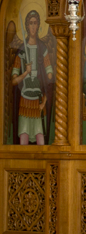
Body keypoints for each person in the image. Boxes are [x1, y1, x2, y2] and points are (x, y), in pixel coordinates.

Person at [10, 10, 54, 145]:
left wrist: (45, 100)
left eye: (35, 23)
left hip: (39, 101)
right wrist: (25, 73)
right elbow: (13, 81)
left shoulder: (43, 49)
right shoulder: (22, 51)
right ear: (27, 26)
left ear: (38, 25)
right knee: (24, 136)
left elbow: (50, 77)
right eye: (30, 23)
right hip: (25, 100)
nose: (33, 26)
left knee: (40, 137)